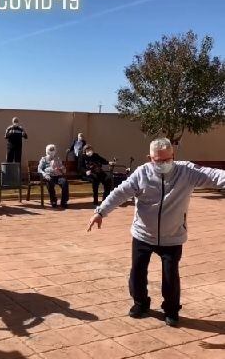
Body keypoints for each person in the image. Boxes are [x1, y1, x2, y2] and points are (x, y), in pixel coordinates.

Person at [87, 138, 225, 327]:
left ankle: (171, 310)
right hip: (143, 234)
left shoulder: (187, 172)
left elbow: (216, 176)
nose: (162, 164)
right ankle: (140, 303)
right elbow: (120, 192)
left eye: (166, 160)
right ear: (149, 158)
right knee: (137, 272)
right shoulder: (142, 173)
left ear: (173, 156)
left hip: (172, 236)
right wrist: (100, 211)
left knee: (170, 275)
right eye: (157, 160)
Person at [38, 144, 69, 208]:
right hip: (49, 176)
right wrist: (45, 175)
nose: (52, 152)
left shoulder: (57, 159)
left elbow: (63, 169)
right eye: (51, 150)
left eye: (53, 150)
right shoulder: (44, 159)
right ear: (47, 151)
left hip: (57, 175)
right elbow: (39, 169)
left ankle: (64, 201)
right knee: (50, 182)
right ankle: (53, 200)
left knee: (64, 182)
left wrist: (62, 168)